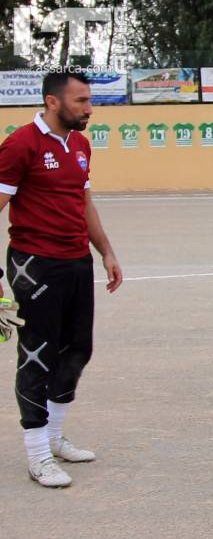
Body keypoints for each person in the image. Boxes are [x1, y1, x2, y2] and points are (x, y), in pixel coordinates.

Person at [0, 72, 122, 488]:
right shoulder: (21, 144)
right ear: (52, 102)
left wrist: (104, 250)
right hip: (35, 264)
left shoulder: (81, 144)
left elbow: (83, 201)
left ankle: (53, 437)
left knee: (77, 350)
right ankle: (37, 455)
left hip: (75, 262)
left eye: (90, 101)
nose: (89, 109)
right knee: (37, 354)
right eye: (81, 101)